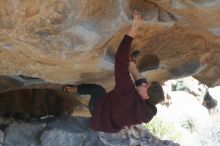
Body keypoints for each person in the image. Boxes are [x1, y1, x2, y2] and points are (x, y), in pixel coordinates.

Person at [63, 11, 164, 133]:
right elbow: (140, 89)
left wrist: (134, 27)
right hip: (110, 124)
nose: (145, 83)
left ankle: (72, 89)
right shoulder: (147, 112)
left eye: (146, 86)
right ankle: (131, 63)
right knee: (139, 83)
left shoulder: (126, 93)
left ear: (146, 96)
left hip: (98, 115)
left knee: (97, 89)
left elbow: (120, 58)